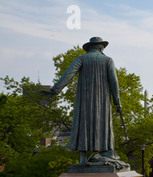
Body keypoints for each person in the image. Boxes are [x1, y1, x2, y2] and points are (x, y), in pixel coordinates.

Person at [41, 37, 122, 165]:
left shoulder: (81, 59)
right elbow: (114, 82)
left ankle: (82, 158)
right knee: (103, 124)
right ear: (100, 47)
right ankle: (106, 151)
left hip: (84, 100)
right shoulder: (108, 60)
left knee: (83, 125)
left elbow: (68, 74)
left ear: (90, 47)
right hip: (103, 102)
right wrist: (117, 102)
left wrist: (55, 90)